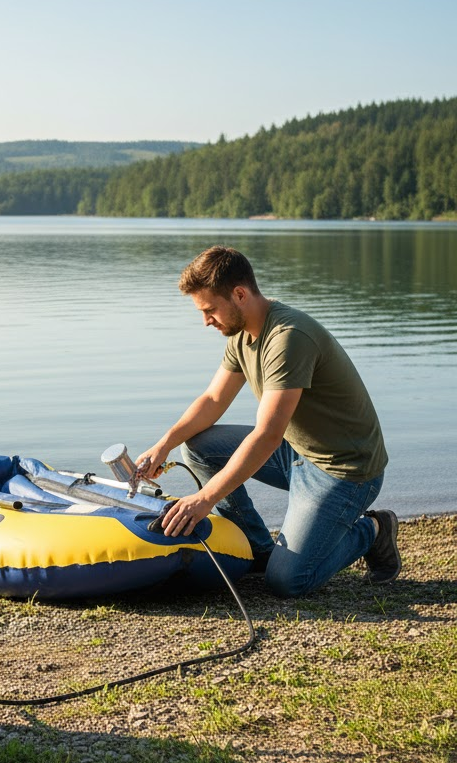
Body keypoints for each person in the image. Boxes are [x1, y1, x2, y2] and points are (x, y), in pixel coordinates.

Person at [136, 245, 400, 598]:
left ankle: (374, 529)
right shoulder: (243, 333)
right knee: (197, 446)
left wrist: (203, 499)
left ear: (240, 294)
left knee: (289, 581)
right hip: (298, 454)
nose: (206, 321)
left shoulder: (288, 338)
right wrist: (163, 444)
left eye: (210, 310)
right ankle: (260, 549)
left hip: (345, 472)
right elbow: (213, 401)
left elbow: (267, 436)